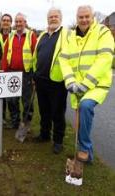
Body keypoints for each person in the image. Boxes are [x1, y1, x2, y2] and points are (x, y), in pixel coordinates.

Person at [59, 5, 114, 162]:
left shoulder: (102, 32)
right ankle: (88, 155)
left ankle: (84, 147)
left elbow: (104, 59)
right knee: (78, 119)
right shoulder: (70, 36)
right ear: (76, 18)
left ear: (92, 16)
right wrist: (70, 82)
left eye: (86, 16)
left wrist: (86, 84)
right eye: (80, 17)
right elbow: (64, 59)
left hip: (96, 85)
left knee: (86, 106)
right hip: (76, 85)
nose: (83, 20)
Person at [32, 8, 70, 154]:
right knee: (44, 110)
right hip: (41, 80)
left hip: (57, 82)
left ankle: (58, 141)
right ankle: (44, 134)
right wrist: (35, 75)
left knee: (57, 113)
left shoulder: (66, 34)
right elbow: (36, 55)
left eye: (55, 16)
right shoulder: (42, 35)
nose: (53, 19)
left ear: (60, 18)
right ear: (47, 19)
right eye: (50, 17)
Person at [1, 13, 37, 131]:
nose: (18, 24)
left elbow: (36, 56)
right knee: (12, 100)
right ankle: (14, 121)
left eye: (20, 21)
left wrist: (34, 75)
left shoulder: (31, 35)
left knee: (27, 102)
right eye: (16, 22)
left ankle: (25, 125)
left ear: (25, 22)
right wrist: (4, 71)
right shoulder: (11, 36)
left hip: (26, 73)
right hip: (11, 73)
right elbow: (5, 54)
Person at [0, 13, 13, 124]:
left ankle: (13, 118)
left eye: (8, 20)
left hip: (10, 69)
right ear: (1, 23)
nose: (6, 22)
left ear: (11, 23)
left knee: (11, 96)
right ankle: (0, 117)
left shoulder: (14, 35)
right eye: (4, 20)